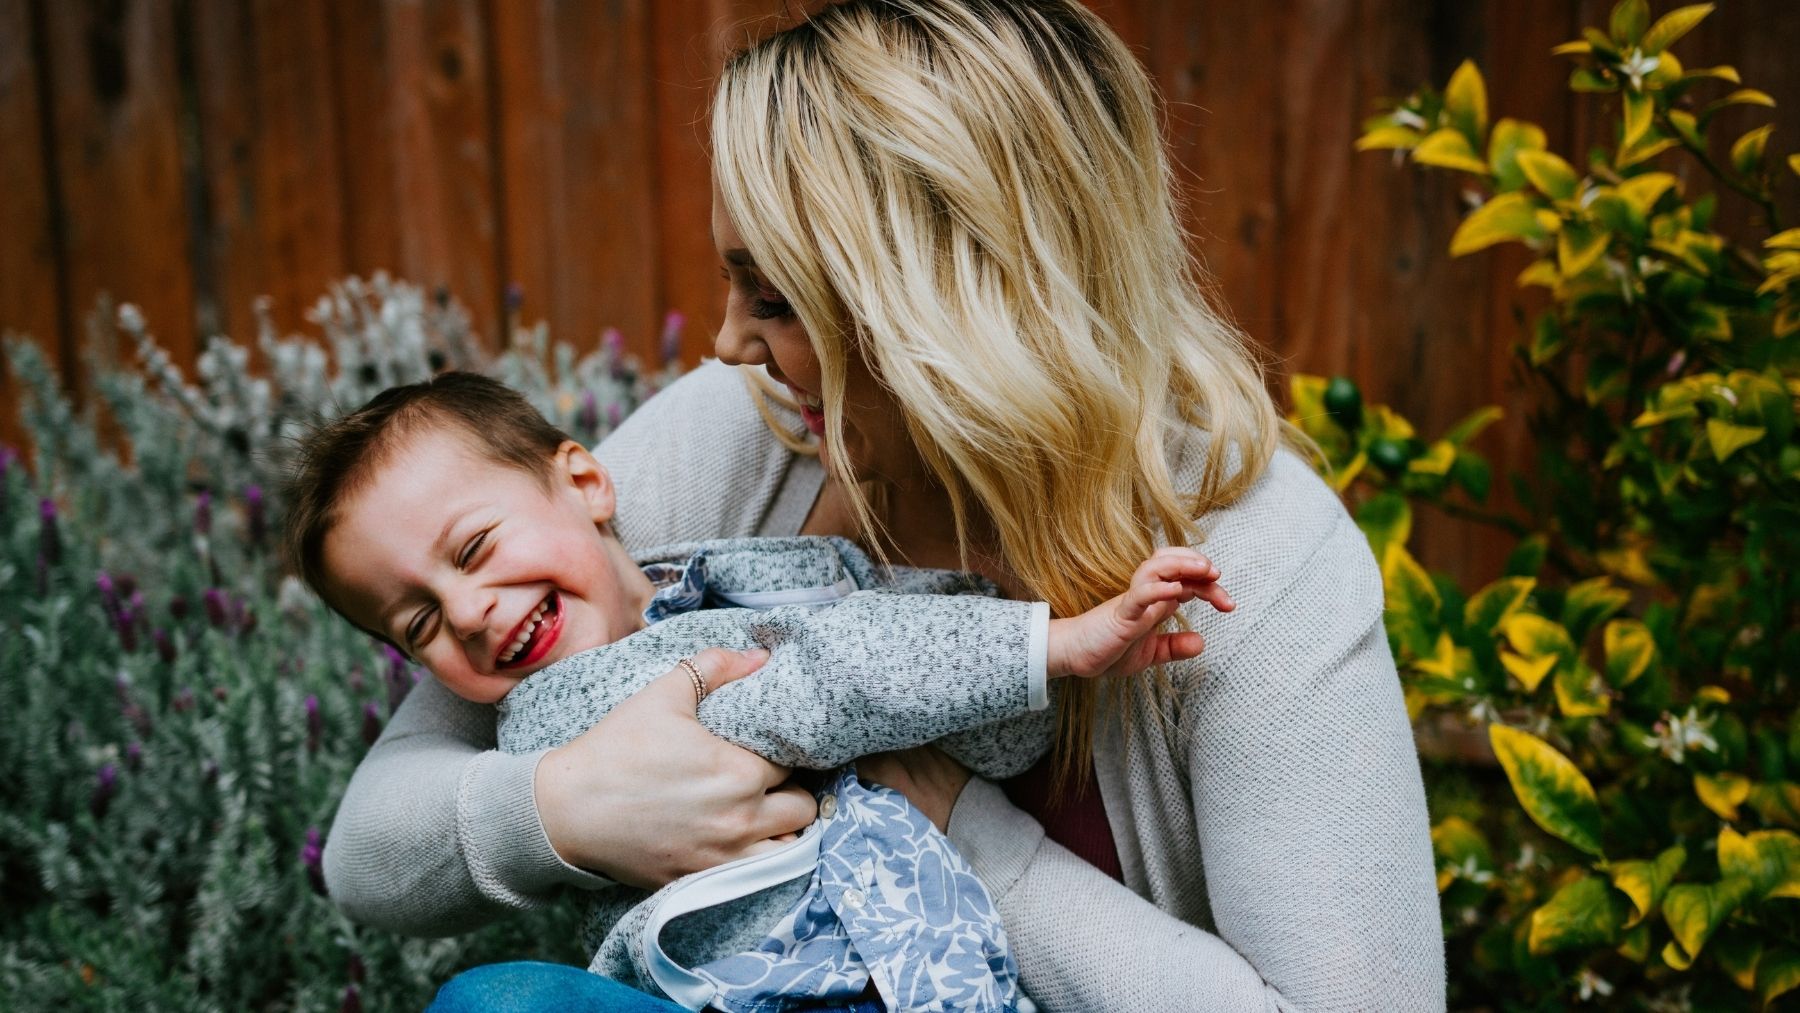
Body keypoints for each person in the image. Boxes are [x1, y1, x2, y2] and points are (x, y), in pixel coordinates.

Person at [325, 1, 1446, 1009]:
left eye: (775, 300)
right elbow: (373, 844)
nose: (726, 344)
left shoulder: (1258, 556)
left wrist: (956, 823)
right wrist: (569, 807)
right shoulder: (745, 431)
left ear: (955, 299)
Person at [290, 372, 1231, 1011]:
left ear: (585, 479)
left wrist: (1005, 685)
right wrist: (1054, 645)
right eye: (416, 624)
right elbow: (821, 684)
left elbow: (980, 737)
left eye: (473, 550)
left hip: (929, 969)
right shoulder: (563, 710)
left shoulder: (747, 578)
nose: (466, 611)